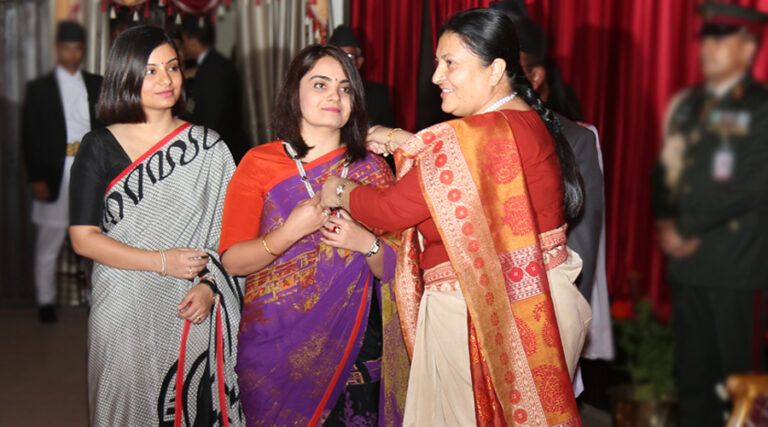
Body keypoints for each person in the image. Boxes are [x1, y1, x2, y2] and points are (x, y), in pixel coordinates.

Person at [320, 8, 587, 426]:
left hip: (476, 315)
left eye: (450, 63)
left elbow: (393, 209)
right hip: (535, 308)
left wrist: (339, 189)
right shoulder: (526, 122)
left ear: (495, 69)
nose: (436, 77)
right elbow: (453, 183)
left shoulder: (473, 137)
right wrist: (400, 140)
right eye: (436, 62)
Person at [219, 44, 408, 426]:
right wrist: (289, 232)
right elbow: (233, 260)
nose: (334, 96)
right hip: (274, 348)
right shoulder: (259, 162)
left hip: (356, 346)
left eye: (345, 88)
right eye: (320, 84)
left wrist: (365, 243)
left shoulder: (373, 170)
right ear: (295, 92)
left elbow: (400, 268)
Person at [68, 26, 243, 426]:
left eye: (173, 67)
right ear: (125, 75)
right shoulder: (98, 145)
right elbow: (83, 238)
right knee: (122, 405)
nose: (166, 79)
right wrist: (161, 261)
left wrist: (210, 287)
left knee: (187, 406)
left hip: (190, 301)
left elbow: (230, 232)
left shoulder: (210, 146)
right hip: (122, 302)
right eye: (150, 70)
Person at [652, 3, 768, 426]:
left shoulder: (760, 106)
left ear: (748, 48)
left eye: (720, 41)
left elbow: (752, 184)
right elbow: (665, 169)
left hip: (736, 268)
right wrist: (666, 222)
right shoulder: (689, 104)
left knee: (741, 386)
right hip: (689, 267)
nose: (707, 49)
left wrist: (685, 226)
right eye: (706, 40)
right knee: (694, 383)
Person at [490, 0, 604, 301]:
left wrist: (568, 316)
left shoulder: (574, 139)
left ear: (536, 76)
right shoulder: (454, 132)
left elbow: (581, 248)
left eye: (506, 68)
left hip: (542, 305)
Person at [22, 21, 103, 323]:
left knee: (94, 238)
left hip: (89, 170)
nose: (72, 54)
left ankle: (96, 299)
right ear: (58, 49)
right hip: (54, 171)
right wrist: (36, 177)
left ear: (83, 50)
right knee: (49, 240)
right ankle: (45, 300)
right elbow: (29, 136)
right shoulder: (40, 89)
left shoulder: (96, 84)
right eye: (67, 48)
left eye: (77, 48)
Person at [180, 18, 249, 163]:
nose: (183, 47)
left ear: (193, 42)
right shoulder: (211, 64)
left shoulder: (213, 68)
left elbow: (212, 114)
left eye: (184, 41)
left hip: (222, 147)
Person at [328, 25, 396, 129]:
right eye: (338, 56)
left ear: (359, 62)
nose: (344, 61)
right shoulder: (322, 92)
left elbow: (388, 132)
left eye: (350, 56)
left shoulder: (377, 94)